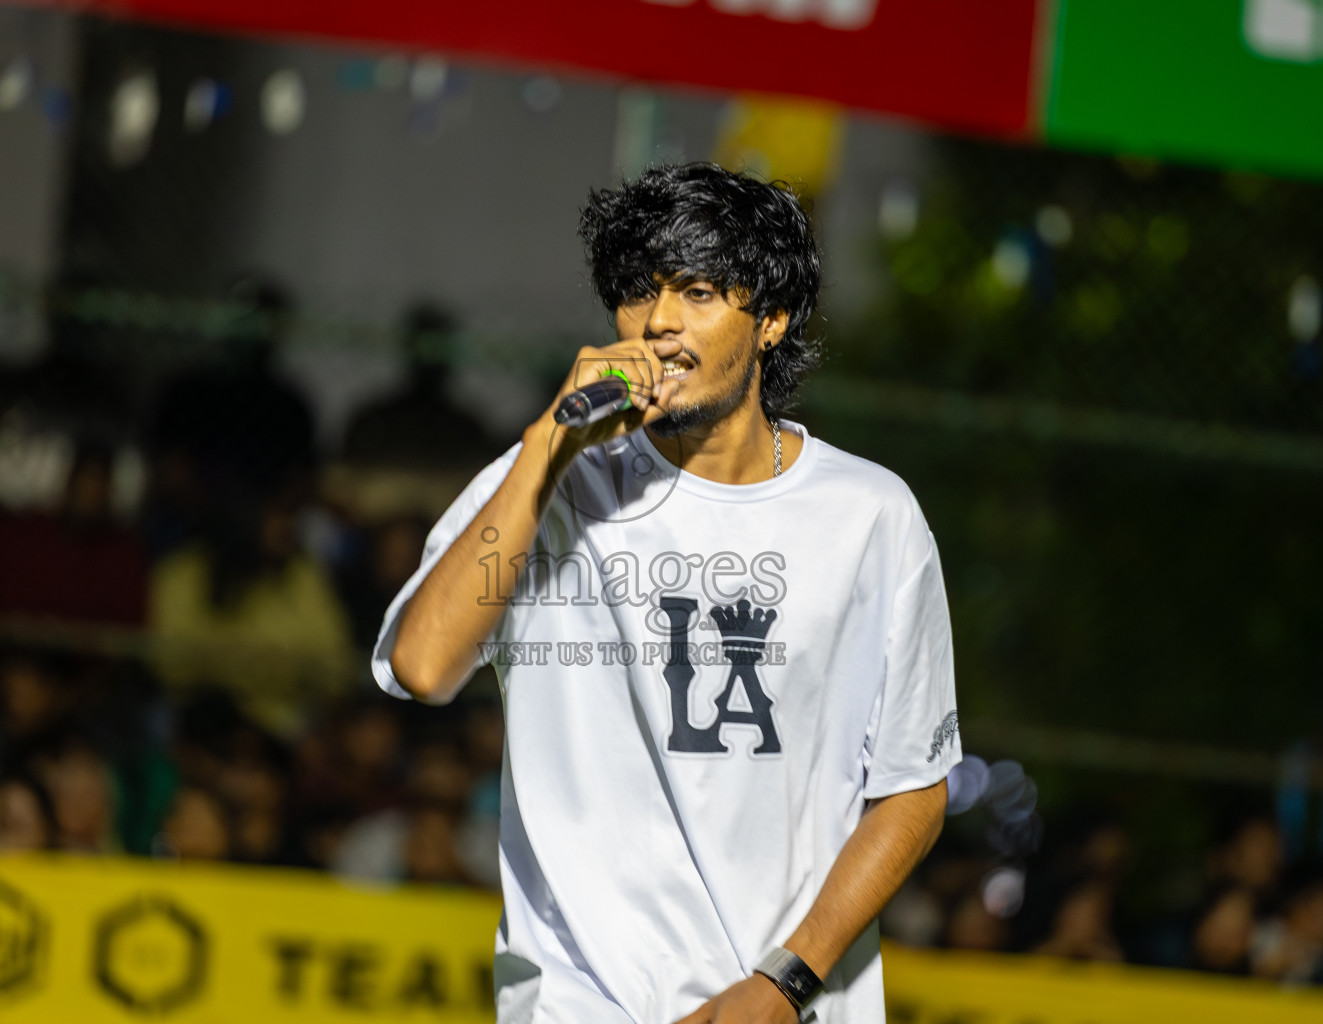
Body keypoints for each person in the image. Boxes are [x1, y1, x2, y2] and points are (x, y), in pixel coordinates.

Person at [373, 164, 958, 1023]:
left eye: (697, 291)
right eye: (639, 292)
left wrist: (786, 982)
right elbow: (424, 664)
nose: (659, 323)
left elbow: (913, 787)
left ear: (772, 319)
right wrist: (547, 443)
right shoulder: (552, 482)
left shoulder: (870, 517)